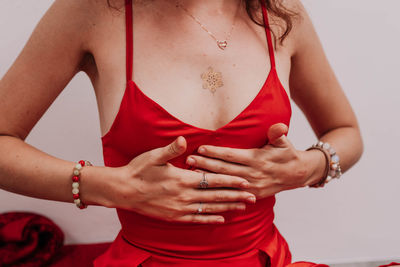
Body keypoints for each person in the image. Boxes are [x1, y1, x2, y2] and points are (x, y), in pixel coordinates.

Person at [0, 0, 363, 266]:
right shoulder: (93, 11)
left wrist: (308, 167)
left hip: (267, 259)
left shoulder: (281, 13)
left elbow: (345, 132)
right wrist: (107, 186)